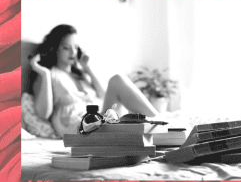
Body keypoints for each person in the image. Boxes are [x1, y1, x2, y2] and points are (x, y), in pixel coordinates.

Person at [30, 24, 159, 137]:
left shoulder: (81, 75)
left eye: (75, 47)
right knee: (116, 80)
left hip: (102, 120)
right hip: (83, 127)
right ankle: (159, 125)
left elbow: (104, 95)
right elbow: (43, 114)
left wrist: (87, 68)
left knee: (117, 81)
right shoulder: (49, 75)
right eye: (66, 47)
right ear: (55, 48)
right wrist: (45, 74)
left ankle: (158, 124)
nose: (73, 52)